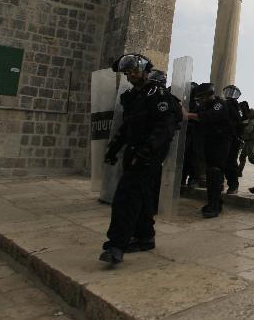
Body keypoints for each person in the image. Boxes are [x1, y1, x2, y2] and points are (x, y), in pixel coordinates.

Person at [100, 54, 180, 264]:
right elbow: (128, 126)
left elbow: (165, 127)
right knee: (142, 196)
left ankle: (116, 245)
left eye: (134, 71)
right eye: (128, 73)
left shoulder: (158, 94)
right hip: (133, 152)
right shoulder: (136, 96)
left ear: (146, 70)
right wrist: (113, 149)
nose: (131, 76)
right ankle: (145, 237)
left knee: (125, 198)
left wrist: (147, 151)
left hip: (147, 155)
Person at [187, 83, 234, 218]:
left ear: (209, 95)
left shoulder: (219, 104)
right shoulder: (205, 105)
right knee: (211, 174)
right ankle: (214, 203)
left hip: (221, 143)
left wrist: (188, 115)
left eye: (201, 98)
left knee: (215, 172)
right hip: (210, 143)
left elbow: (209, 116)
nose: (200, 101)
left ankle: (214, 207)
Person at [221, 85, 244, 195]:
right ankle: (231, 185)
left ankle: (233, 185)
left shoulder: (229, 106)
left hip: (229, 138)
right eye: (228, 91)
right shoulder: (238, 107)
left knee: (228, 162)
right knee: (229, 162)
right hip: (233, 138)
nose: (229, 93)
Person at [238, 103, 254, 176]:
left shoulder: (252, 122)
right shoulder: (252, 121)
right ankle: (239, 171)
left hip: (251, 142)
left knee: (251, 159)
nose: (247, 114)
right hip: (248, 142)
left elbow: (248, 130)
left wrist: (242, 127)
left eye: (249, 113)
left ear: (251, 114)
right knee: (242, 157)